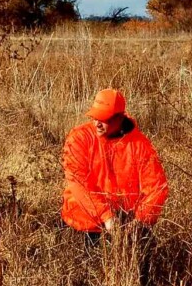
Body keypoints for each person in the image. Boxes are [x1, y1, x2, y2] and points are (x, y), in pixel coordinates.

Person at [61, 88, 168, 243]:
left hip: (128, 224)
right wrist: (107, 216)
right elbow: (78, 182)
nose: (97, 123)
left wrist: (139, 222)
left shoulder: (139, 145)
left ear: (119, 118)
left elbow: (157, 187)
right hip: (84, 224)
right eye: (95, 117)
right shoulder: (79, 138)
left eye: (103, 119)